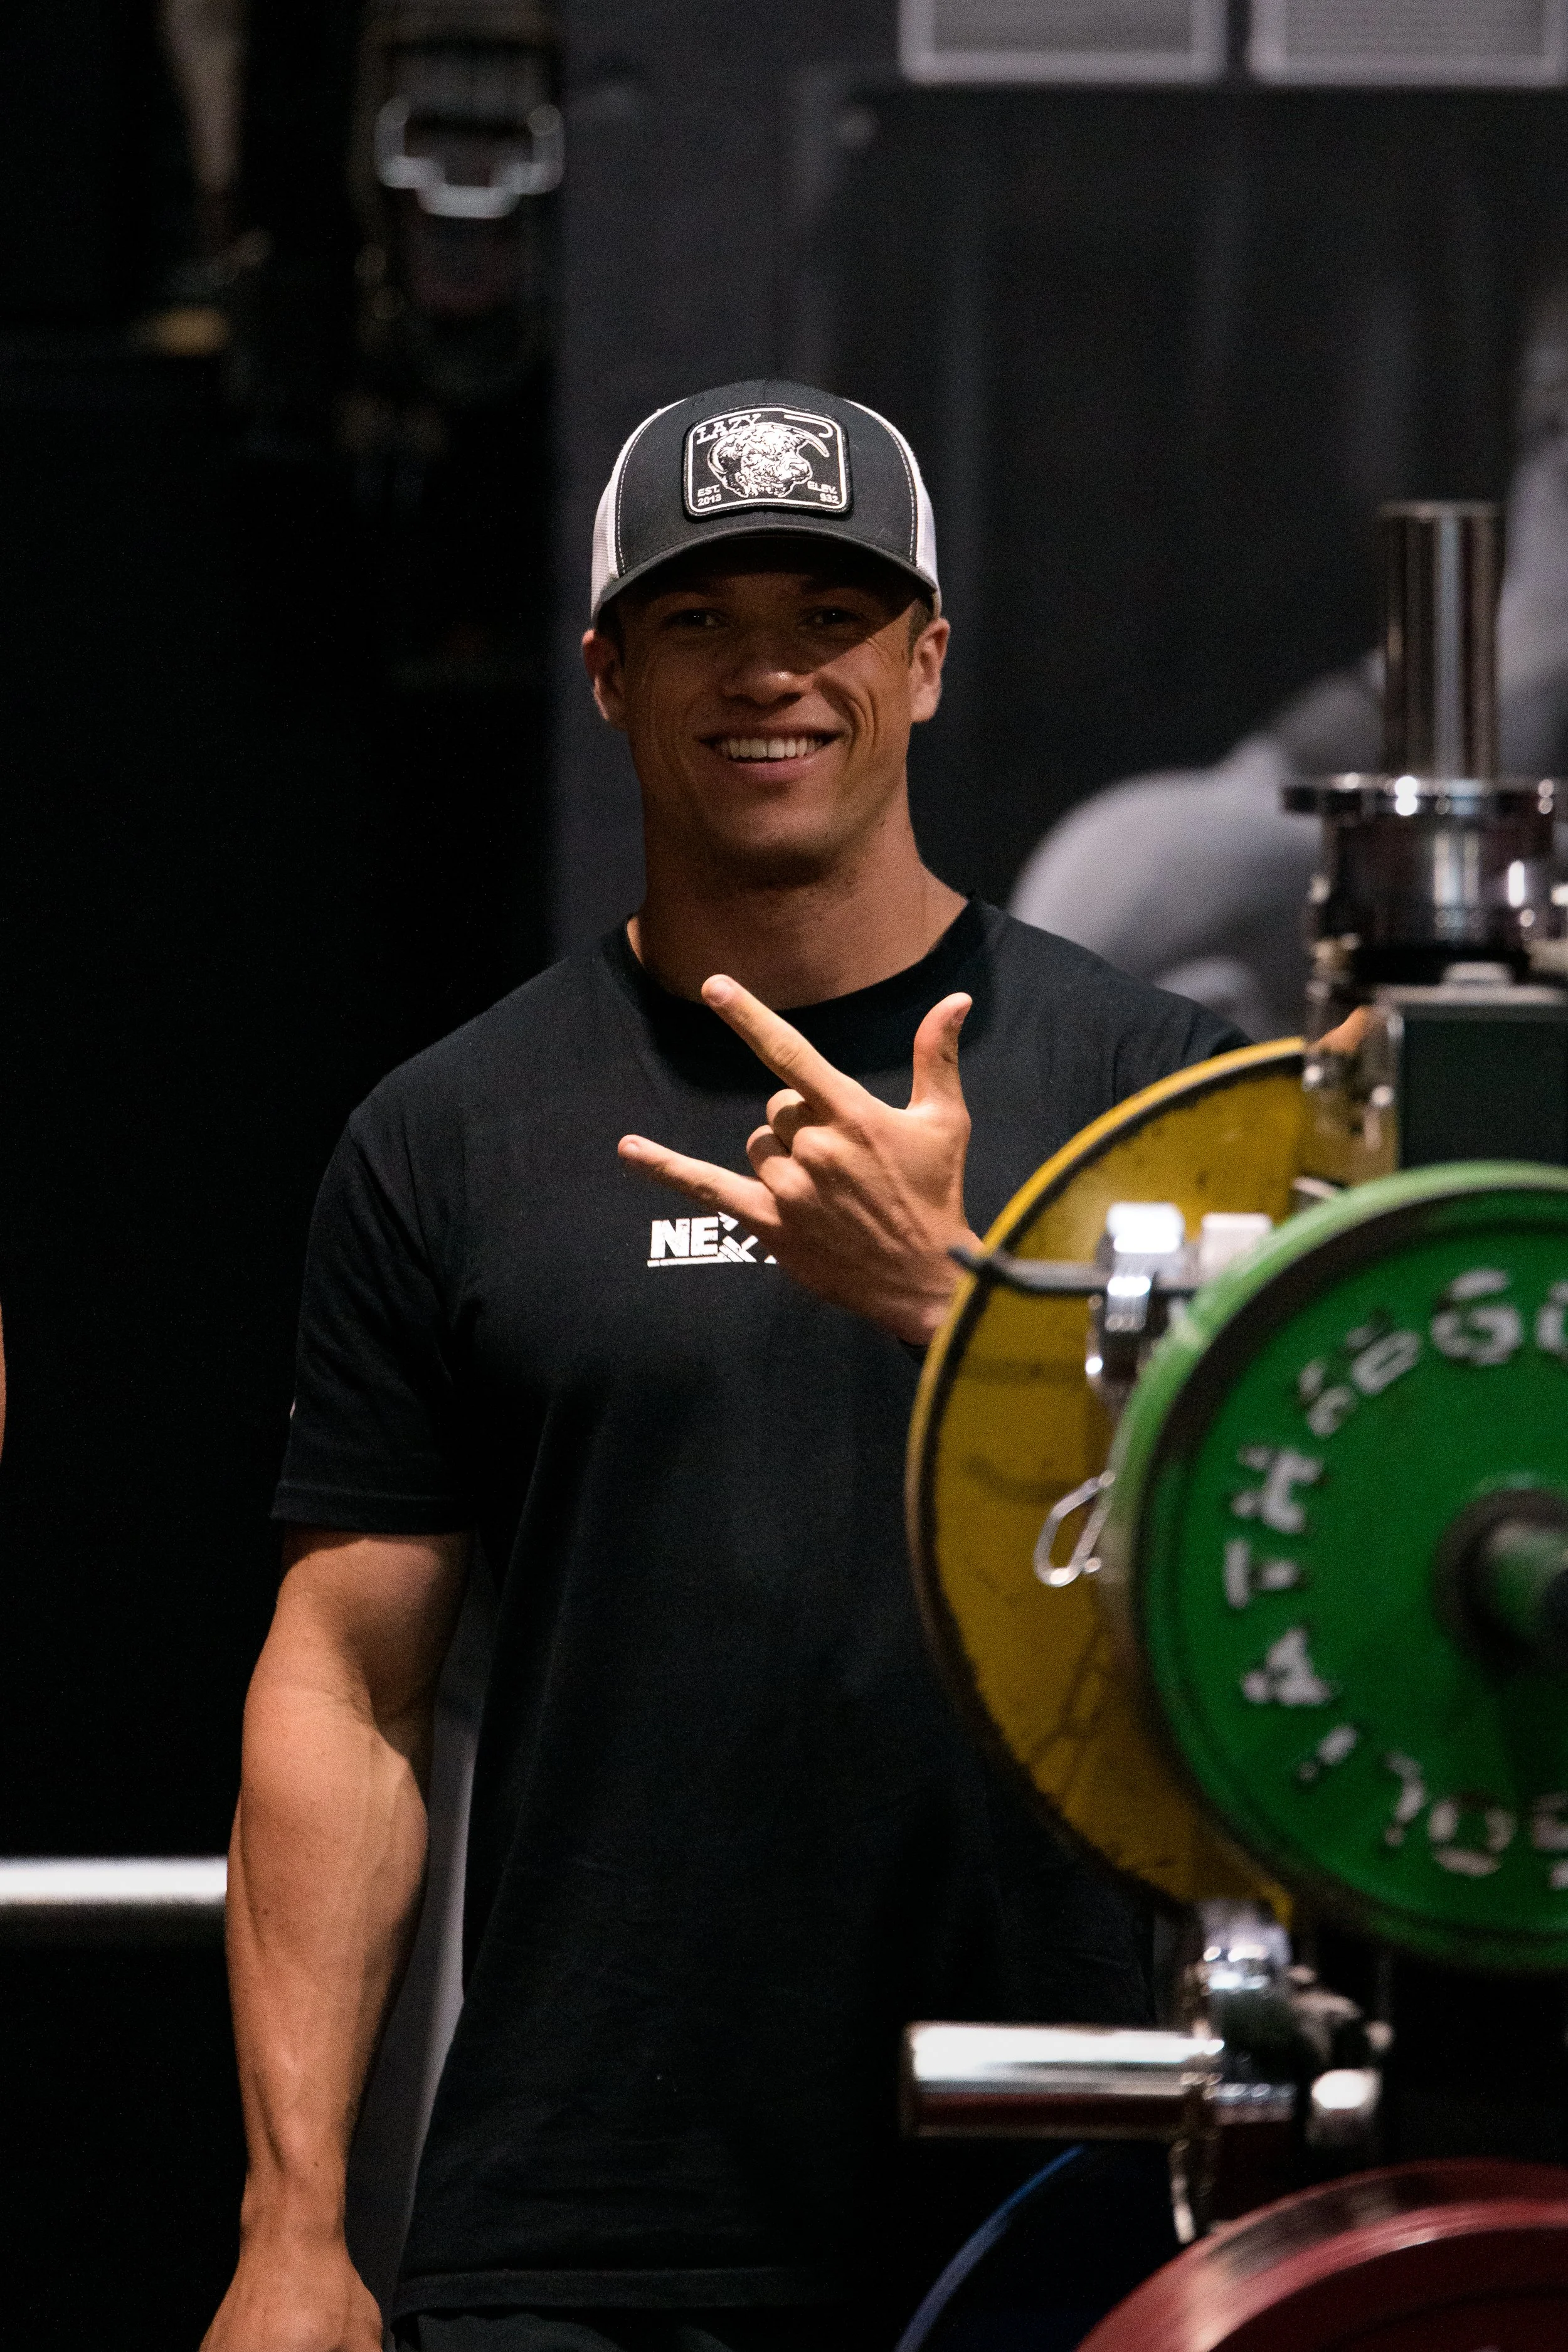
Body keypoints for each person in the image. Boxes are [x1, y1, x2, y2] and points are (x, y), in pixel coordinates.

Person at [202, 379, 1244, 2352]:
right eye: (699, 619)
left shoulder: (1147, 1090)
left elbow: (1285, 1580)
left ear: (924, 661)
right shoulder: (450, 1134)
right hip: (591, 2223)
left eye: (830, 618)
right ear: (605, 670)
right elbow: (343, 1681)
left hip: (1066, 2172)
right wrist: (293, 2219)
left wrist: (957, 1304)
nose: (771, 674)